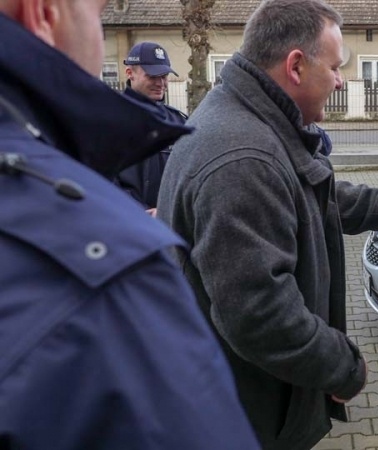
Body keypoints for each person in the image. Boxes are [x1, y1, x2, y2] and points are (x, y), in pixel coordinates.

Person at [156, 1, 378, 449]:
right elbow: (259, 315)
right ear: (295, 66)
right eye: (335, 67)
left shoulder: (247, 122)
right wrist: (344, 368)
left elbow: (307, 193)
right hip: (247, 412)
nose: (341, 81)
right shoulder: (243, 156)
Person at [0, 1, 261, 449]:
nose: (160, 83)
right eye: (97, 13)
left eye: (165, 76)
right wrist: (131, 220)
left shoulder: (171, 123)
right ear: (43, 13)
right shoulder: (113, 270)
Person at [116, 41, 187, 215]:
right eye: (152, 76)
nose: (160, 83)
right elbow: (101, 181)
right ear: (129, 73)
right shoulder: (109, 121)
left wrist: (167, 210)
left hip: (169, 224)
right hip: (125, 223)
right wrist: (141, 213)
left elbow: (190, 176)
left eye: (164, 76)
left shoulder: (178, 123)